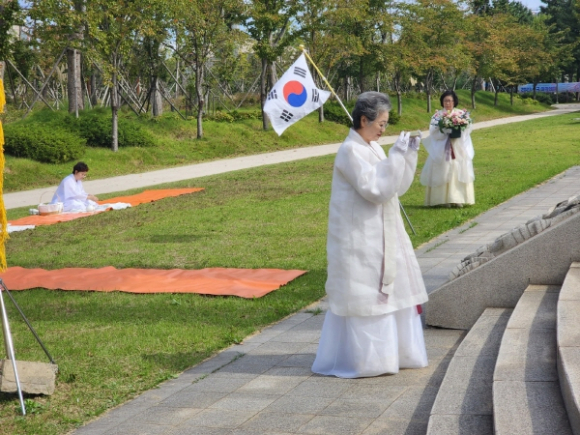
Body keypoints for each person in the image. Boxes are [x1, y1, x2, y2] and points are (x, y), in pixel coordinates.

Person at [311, 92, 429, 378]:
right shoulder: (350, 151)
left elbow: (394, 187)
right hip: (359, 236)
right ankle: (370, 361)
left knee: (391, 291)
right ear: (364, 120)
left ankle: (399, 353)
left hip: (383, 231)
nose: (383, 130)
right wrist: (396, 156)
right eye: (381, 123)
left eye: (386, 124)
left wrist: (407, 155)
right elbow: (374, 189)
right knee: (365, 295)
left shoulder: (372, 147)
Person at [420, 90, 475, 207]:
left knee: (457, 169)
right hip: (442, 147)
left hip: (457, 146)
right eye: (445, 101)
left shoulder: (460, 114)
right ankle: (442, 199)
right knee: (443, 170)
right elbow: (433, 132)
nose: (448, 103)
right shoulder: (437, 116)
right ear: (442, 102)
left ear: (454, 101)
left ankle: (458, 198)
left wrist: (458, 130)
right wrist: (445, 131)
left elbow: (468, 129)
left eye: (450, 101)